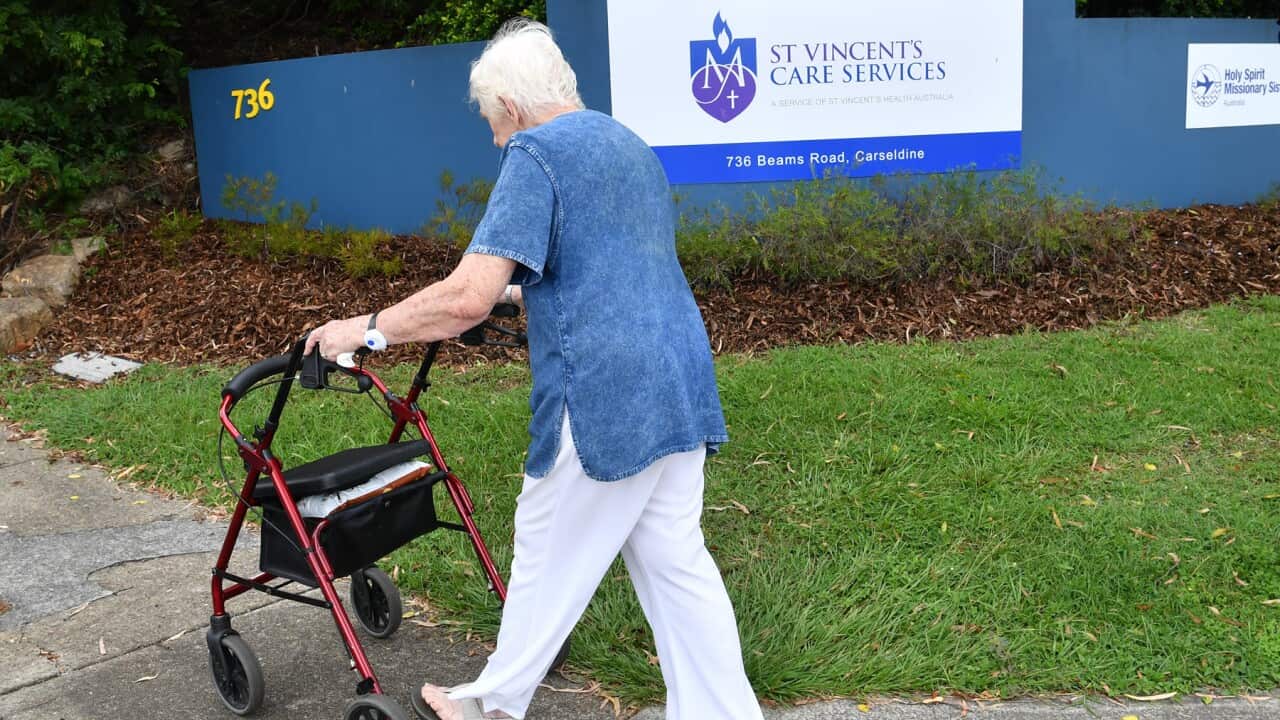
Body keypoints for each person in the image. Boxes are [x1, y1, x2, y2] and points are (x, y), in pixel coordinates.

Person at [304, 17, 764, 720]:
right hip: (677, 380)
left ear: (512, 108)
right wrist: (525, 292)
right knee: (677, 565)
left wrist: (362, 331)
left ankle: (488, 704)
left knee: (547, 543)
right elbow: (608, 266)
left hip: (604, 394)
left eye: (493, 122)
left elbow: (464, 297)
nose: (494, 139)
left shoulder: (537, 152)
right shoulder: (627, 143)